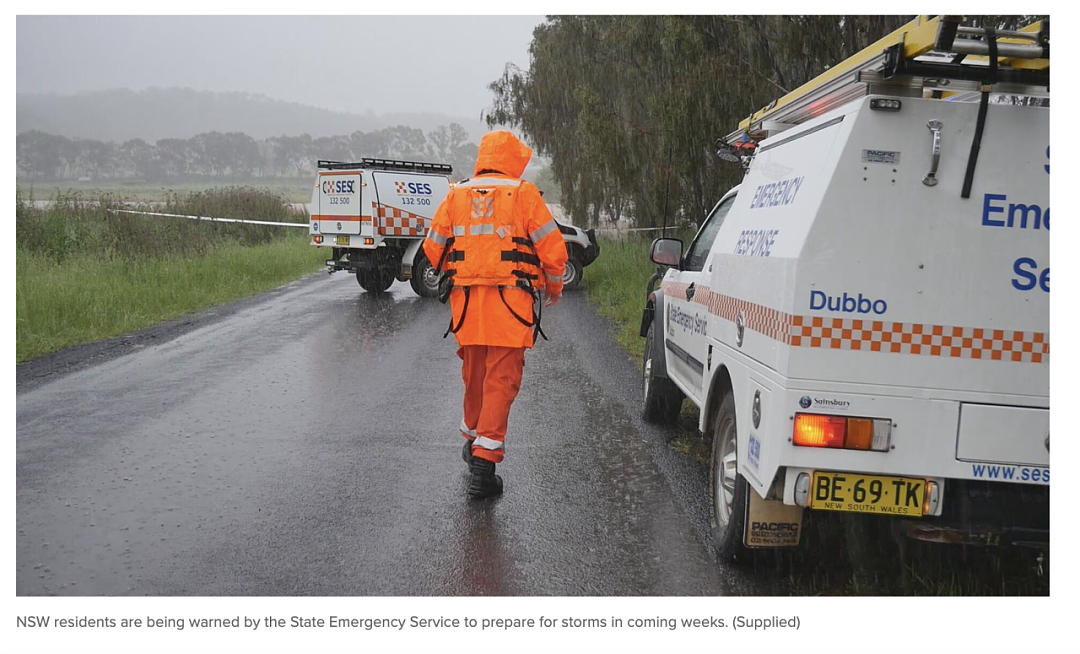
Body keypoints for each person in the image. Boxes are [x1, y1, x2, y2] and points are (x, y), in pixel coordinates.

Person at [423, 130, 568, 499]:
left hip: (467, 307)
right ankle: (483, 467)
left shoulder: (456, 195)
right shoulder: (523, 194)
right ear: (512, 158)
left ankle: (472, 444)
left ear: (483, 156)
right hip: (511, 307)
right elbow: (553, 251)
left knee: (474, 377)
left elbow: (433, 249)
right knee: (500, 383)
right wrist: (554, 288)